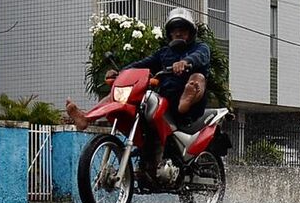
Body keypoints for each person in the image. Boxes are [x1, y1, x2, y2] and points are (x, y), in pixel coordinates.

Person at [67, 7, 210, 131]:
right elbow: (141, 64)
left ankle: (187, 98)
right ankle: (86, 118)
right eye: (175, 30)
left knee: (198, 78)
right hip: (166, 102)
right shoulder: (163, 53)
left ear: (191, 33)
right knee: (119, 94)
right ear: (169, 33)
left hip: (191, 109)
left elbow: (200, 56)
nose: (178, 33)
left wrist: (185, 62)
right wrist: (120, 73)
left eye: (183, 30)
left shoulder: (200, 48)